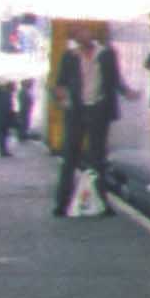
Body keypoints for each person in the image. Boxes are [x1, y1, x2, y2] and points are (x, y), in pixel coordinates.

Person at [46, 32, 121, 221]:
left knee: (98, 160)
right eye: (79, 32)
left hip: (98, 110)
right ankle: (62, 204)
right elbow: (61, 83)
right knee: (69, 157)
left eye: (86, 31)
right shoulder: (69, 56)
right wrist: (59, 93)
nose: (83, 35)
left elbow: (115, 80)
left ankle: (101, 204)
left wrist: (129, 93)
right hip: (76, 112)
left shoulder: (106, 54)